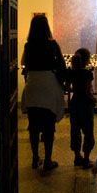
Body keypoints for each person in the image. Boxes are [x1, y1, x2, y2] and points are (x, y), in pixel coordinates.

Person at [20, 14, 66, 172]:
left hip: (33, 84)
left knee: (34, 126)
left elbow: (24, 63)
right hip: (48, 84)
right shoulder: (52, 45)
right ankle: (47, 159)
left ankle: (34, 158)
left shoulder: (28, 45)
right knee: (48, 126)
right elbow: (61, 64)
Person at [68, 48, 97, 168]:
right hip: (85, 104)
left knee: (75, 131)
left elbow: (68, 88)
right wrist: (93, 99)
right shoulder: (87, 73)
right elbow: (87, 90)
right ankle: (86, 159)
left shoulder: (71, 72)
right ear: (86, 60)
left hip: (74, 103)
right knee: (88, 131)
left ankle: (76, 157)